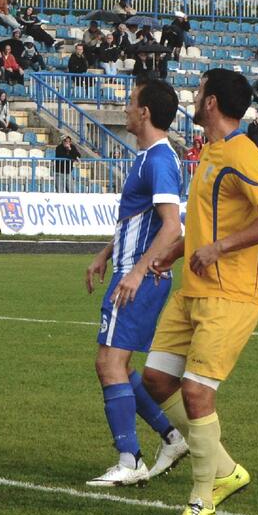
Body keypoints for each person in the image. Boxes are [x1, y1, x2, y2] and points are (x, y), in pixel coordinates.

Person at [141, 68, 258, 515]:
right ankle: (225, 470)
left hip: (230, 296)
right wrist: (177, 250)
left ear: (211, 103)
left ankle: (202, 499)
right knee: (155, 380)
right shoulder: (210, 150)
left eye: (200, 90)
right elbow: (210, 221)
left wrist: (219, 249)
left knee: (196, 392)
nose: (195, 96)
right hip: (193, 290)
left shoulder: (243, 153)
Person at [83, 78, 188, 487]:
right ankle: (172, 437)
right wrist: (106, 253)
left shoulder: (159, 160)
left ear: (144, 112)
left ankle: (130, 459)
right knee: (120, 366)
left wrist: (137, 271)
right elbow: (139, 221)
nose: (125, 109)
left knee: (108, 364)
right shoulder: (149, 157)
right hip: (133, 272)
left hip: (138, 279)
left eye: (130, 103)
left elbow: (171, 227)